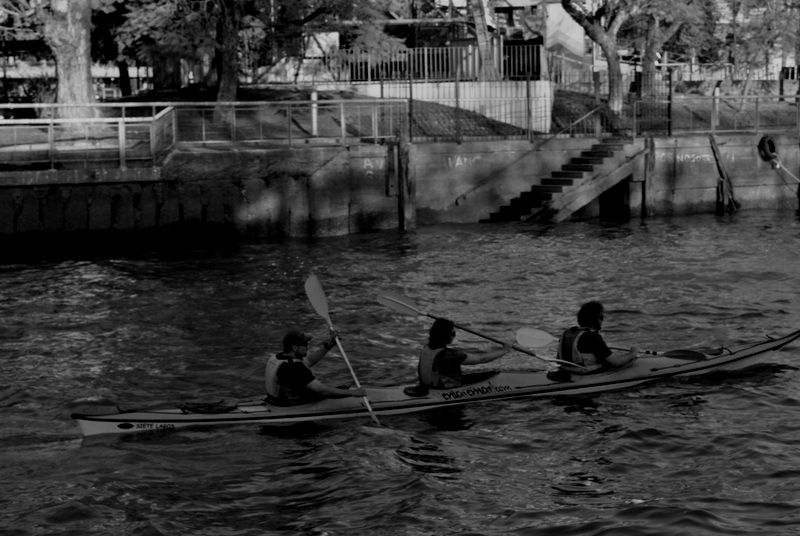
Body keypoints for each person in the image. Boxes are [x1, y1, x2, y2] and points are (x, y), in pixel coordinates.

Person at [265, 329, 366, 406]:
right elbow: (323, 391)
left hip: (274, 402)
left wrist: (329, 345)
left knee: (340, 388)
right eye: (304, 344)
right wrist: (353, 393)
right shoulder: (294, 368)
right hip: (292, 405)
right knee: (335, 391)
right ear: (294, 347)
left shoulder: (278, 357)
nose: (307, 346)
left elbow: (309, 361)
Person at [418, 318, 511, 389]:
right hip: (444, 390)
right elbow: (482, 359)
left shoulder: (426, 349)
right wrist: (504, 350)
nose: (454, 336)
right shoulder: (449, 355)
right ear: (445, 336)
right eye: (453, 333)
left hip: (428, 387)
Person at [557, 301, 638, 374]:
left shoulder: (569, 332)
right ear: (596, 319)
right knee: (624, 362)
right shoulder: (592, 337)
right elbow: (616, 362)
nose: (602, 320)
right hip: (585, 372)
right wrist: (632, 353)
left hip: (566, 369)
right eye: (601, 317)